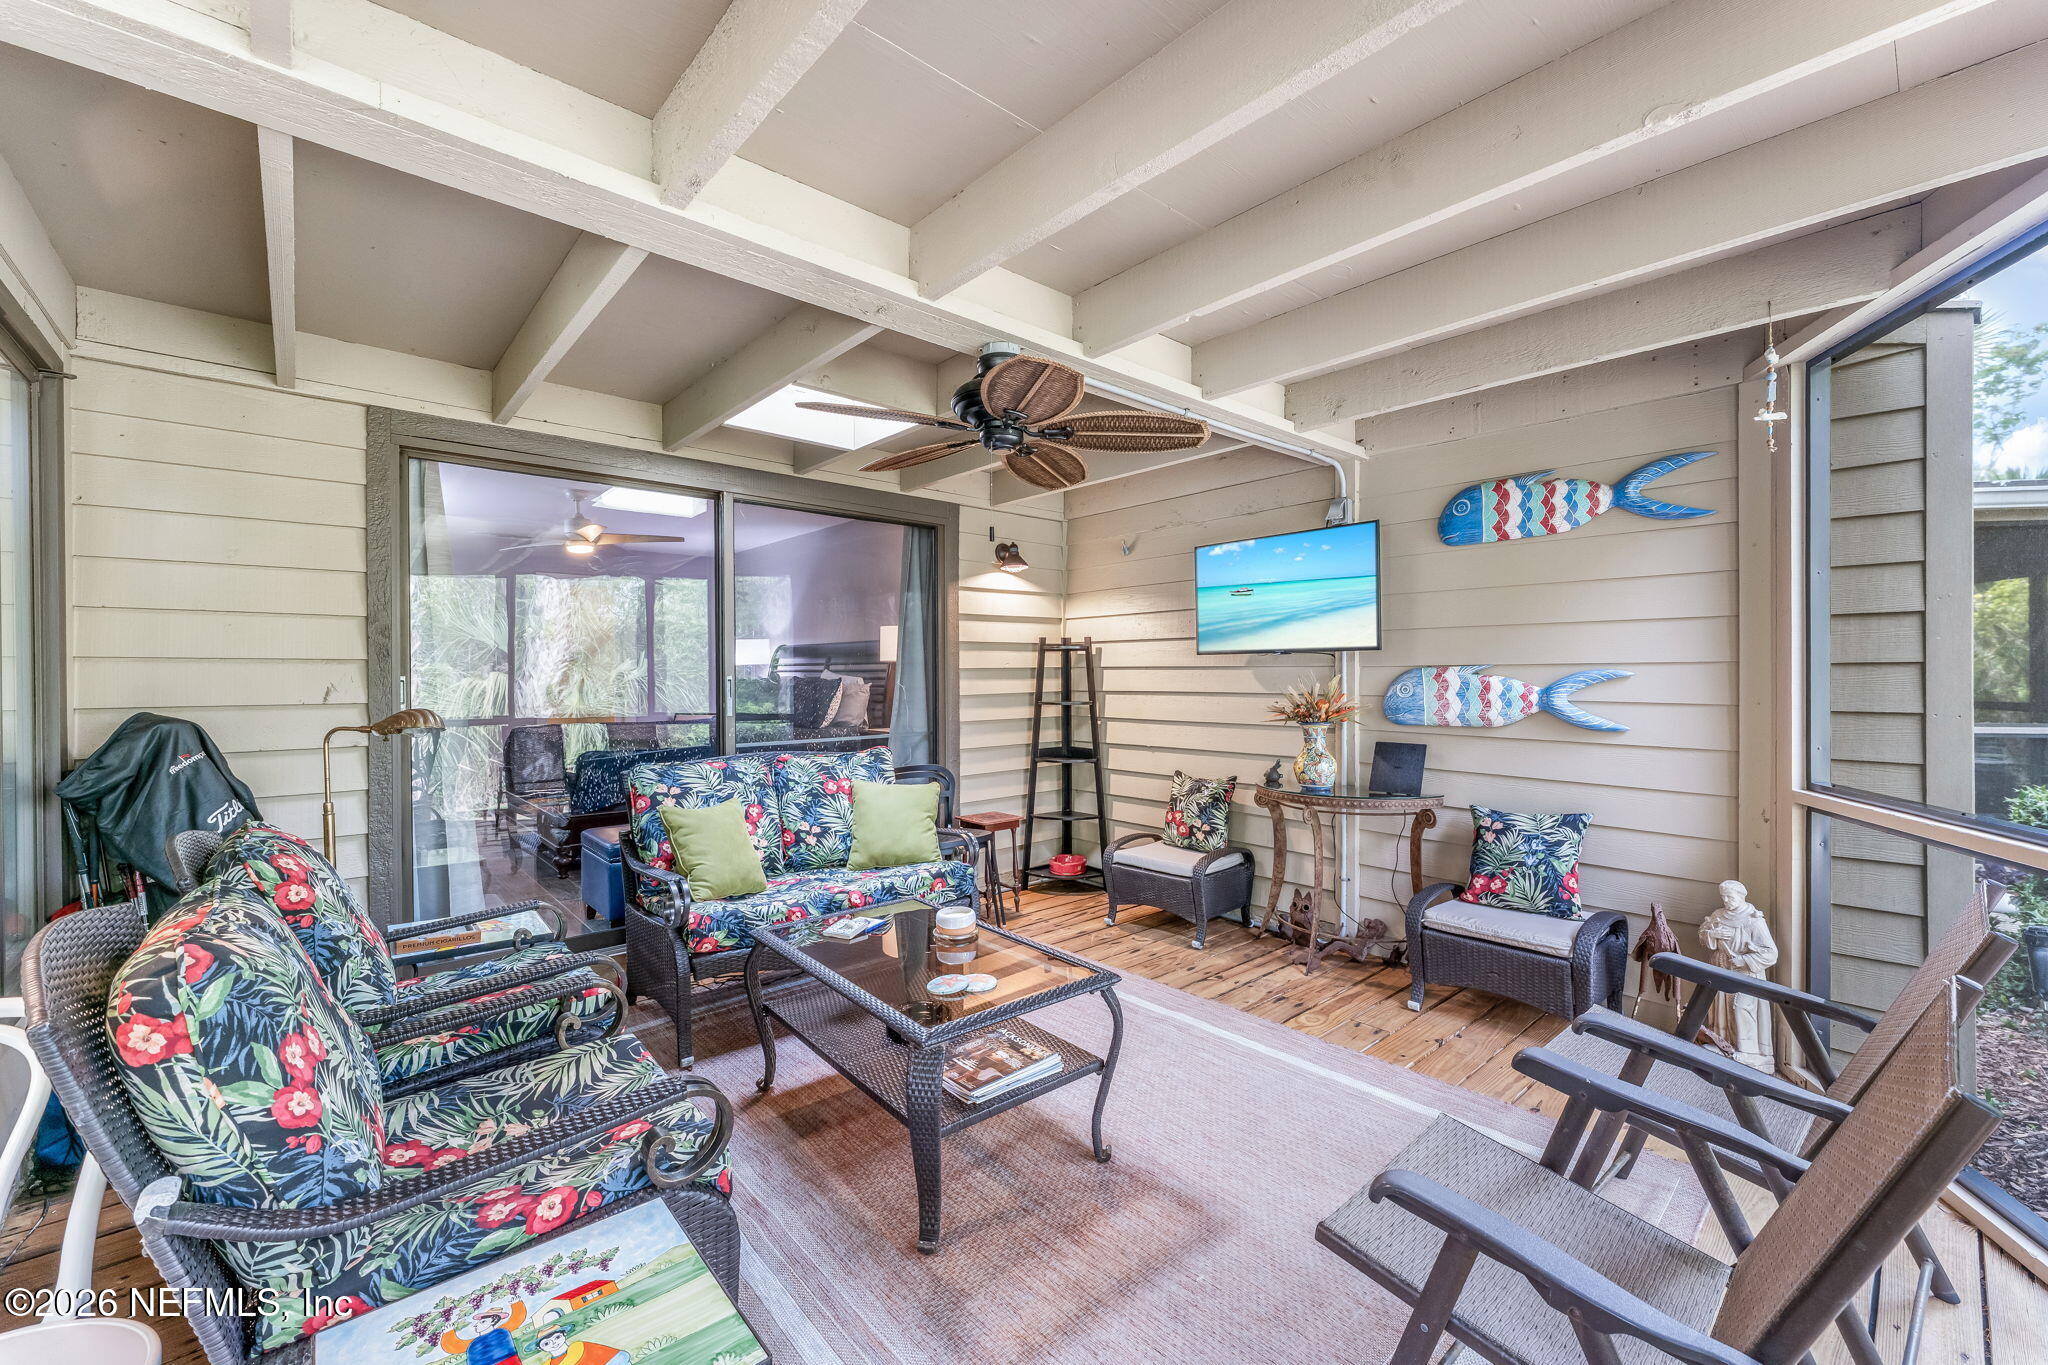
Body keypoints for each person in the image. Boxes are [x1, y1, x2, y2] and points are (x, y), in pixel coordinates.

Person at [532, 1325, 633, 1365]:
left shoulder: (581, 1347)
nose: (554, 1343)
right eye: (546, 1343)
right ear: (540, 1348)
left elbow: (620, 1357)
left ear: (564, 1335)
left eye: (557, 1337)